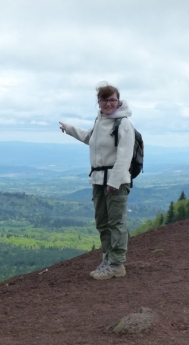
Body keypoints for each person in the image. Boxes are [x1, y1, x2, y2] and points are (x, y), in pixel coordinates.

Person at [59, 82, 134, 280]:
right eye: (104, 100)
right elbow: (89, 138)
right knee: (102, 222)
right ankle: (108, 260)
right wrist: (69, 129)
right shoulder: (100, 122)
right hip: (99, 180)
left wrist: (115, 181)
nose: (108, 103)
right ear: (98, 102)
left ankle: (117, 264)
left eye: (112, 100)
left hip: (115, 182)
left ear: (118, 101)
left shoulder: (123, 124)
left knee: (116, 222)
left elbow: (125, 157)